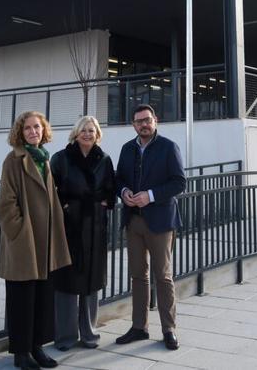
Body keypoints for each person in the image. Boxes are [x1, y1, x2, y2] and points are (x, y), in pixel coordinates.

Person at [0, 111, 72, 369]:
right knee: (21, 298)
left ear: (43, 130)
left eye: (37, 127)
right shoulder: (14, 160)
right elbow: (5, 204)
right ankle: (20, 353)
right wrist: (19, 232)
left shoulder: (44, 159)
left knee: (41, 296)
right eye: (27, 128)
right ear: (20, 132)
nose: (33, 132)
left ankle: (37, 347)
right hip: (24, 242)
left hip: (45, 240)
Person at [113, 104, 186, 350]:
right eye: (138, 121)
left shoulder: (168, 147)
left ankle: (169, 329)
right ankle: (139, 327)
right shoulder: (127, 149)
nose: (143, 124)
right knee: (138, 276)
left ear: (155, 120)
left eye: (147, 120)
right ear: (133, 125)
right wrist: (124, 192)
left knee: (163, 277)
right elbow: (118, 178)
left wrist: (151, 195)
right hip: (133, 220)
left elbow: (179, 183)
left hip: (160, 221)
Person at [50, 115, 116, 351]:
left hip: (95, 227)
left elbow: (111, 187)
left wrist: (105, 202)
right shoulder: (61, 158)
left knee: (91, 282)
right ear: (75, 133)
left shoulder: (104, 159)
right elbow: (50, 188)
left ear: (97, 134)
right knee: (67, 281)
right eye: (83, 130)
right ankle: (65, 337)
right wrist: (65, 206)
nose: (87, 134)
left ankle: (89, 334)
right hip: (69, 227)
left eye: (91, 130)